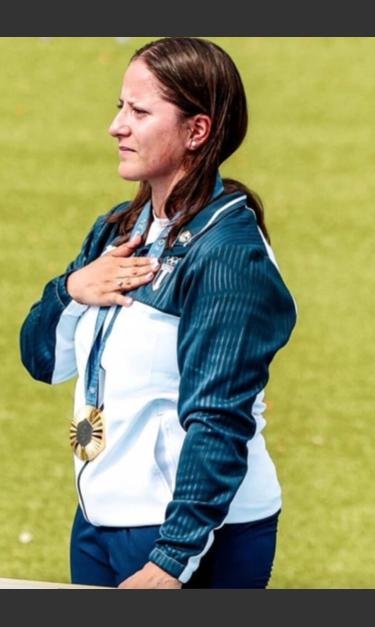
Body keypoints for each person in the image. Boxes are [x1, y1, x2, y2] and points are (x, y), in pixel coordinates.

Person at [20, 37, 296, 588]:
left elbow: (218, 417)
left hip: (192, 538)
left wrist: (171, 561)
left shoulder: (228, 256)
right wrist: (71, 289)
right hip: (100, 519)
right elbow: (44, 362)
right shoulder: (119, 229)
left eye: (139, 112)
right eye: (120, 106)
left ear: (197, 131)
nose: (116, 126)